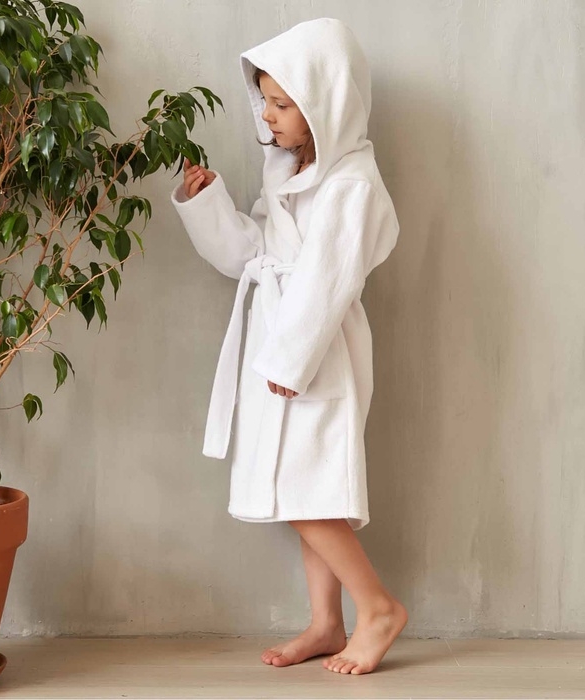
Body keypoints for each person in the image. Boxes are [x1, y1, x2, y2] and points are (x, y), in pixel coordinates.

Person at [170, 17, 407, 675]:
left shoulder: (353, 183)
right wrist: (209, 205)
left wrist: (292, 360)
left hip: (318, 352)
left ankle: (378, 609)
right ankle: (327, 623)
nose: (266, 116)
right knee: (309, 489)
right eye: (265, 101)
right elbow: (251, 256)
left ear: (325, 104)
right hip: (279, 342)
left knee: (308, 489)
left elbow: (331, 278)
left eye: (281, 104)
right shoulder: (285, 168)